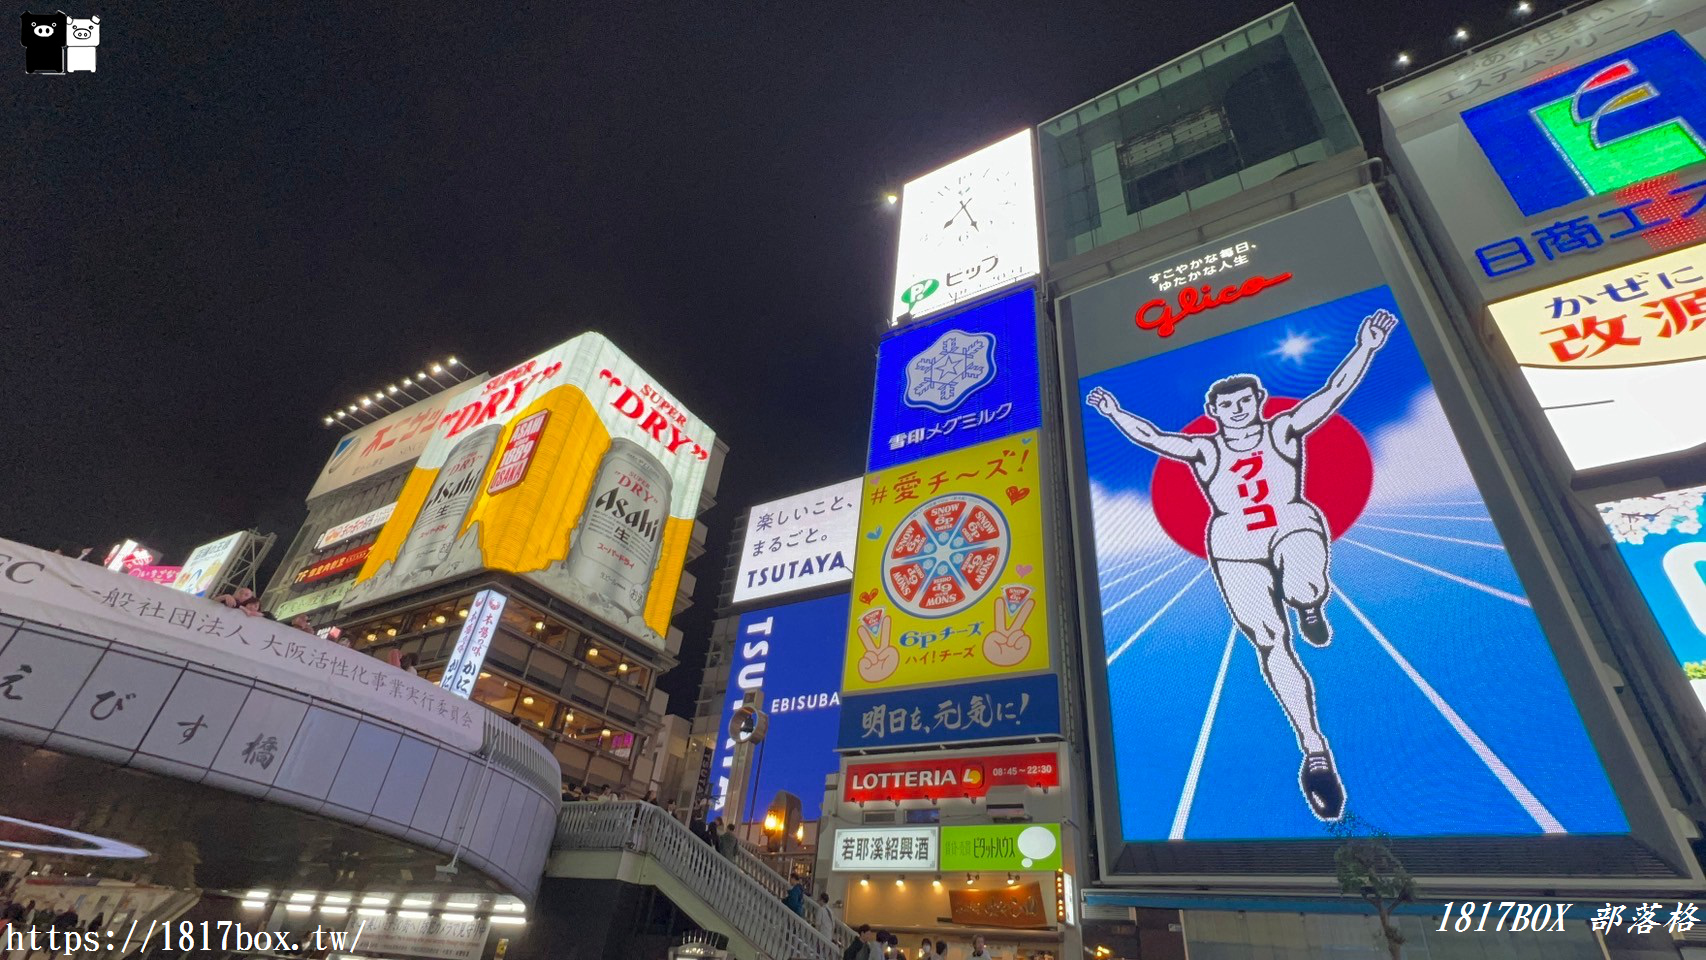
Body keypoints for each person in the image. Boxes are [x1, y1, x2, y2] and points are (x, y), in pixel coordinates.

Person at [1084, 307, 1396, 822]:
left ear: (1258, 401)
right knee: (1270, 641)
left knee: (1301, 583)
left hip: (1291, 523)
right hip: (1233, 544)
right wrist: (1114, 413)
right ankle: (1315, 751)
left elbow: (1333, 393)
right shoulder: (1204, 450)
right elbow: (1153, 438)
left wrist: (1366, 346)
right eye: (1225, 403)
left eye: (1243, 400)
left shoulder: (1284, 430)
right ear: (1213, 410)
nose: (1235, 409)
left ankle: (1310, 603)